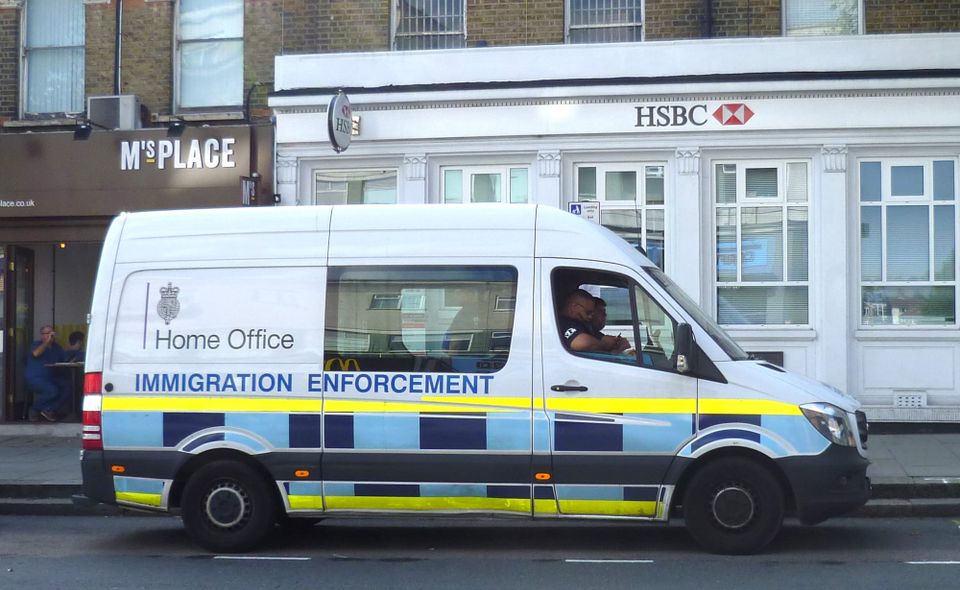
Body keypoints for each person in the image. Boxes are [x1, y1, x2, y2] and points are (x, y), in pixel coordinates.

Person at [558, 289, 630, 354]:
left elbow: (603, 339)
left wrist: (616, 343)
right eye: (588, 312)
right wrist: (605, 345)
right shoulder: (561, 323)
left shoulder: (583, 324)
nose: (590, 317)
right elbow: (582, 342)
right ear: (574, 307)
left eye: (592, 313)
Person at [25, 325, 71, 422]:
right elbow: (36, 353)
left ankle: (49, 409)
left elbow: (64, 359)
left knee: (67, 387)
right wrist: (46, 342)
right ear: (42, 335)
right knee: (52, 390)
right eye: (48, 333)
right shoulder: (36, 344)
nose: (51, 335)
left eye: (52, 333)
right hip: (36, 378)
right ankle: (35, 409)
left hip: (52, 378)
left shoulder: (57, 347)